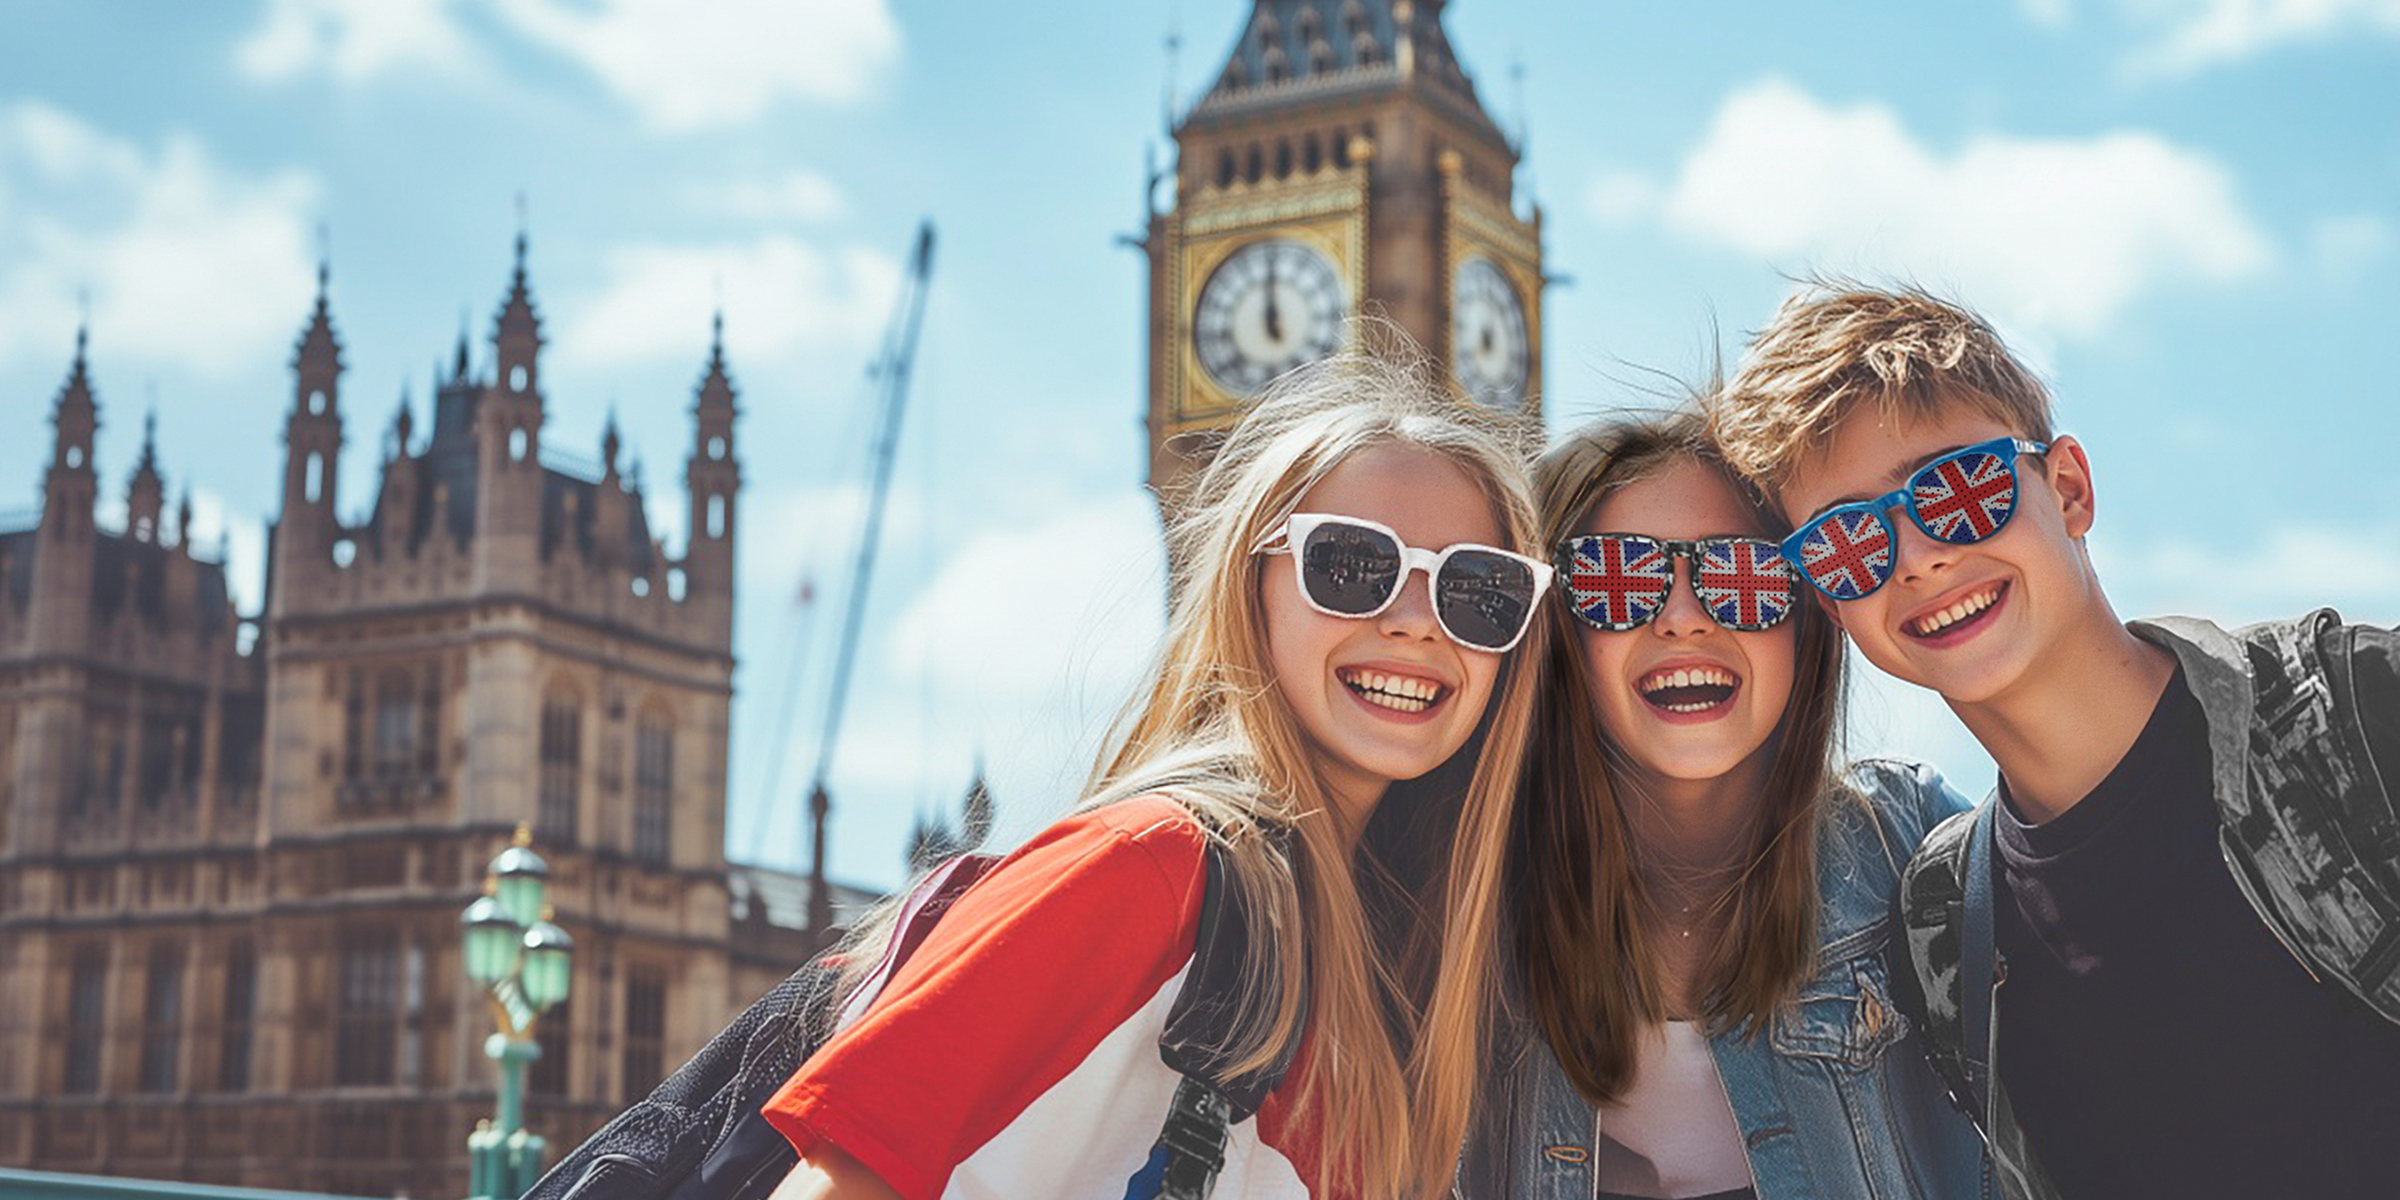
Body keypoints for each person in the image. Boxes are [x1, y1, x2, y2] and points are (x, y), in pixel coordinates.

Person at [762, 352, 1555, 1200]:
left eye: (1478, 589)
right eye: (1353, 567)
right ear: (1249, 586)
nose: (1414, 623)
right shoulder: (1153, 865)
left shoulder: (1393, 959)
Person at [1707, 283, 2400, 1199]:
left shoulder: (2358, 713)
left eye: (1958, 489)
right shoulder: (1942, 930)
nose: (1917, 556)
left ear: (2068, 489)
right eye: (1845, 542)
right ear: (1832, 603)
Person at [1460, 411, 1988, 1200]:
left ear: (1810, 620)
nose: (1684, 616)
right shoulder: (1454, 904)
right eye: (1615, 579)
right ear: (1552, 627)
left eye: (1747, 576)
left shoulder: (1914, 847)